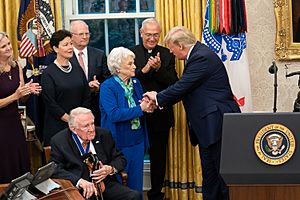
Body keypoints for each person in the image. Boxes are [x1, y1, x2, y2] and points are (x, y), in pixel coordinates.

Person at [144, 26, 241, 200]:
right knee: (210, 175)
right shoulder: (198, 55)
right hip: (207, 126)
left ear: (180, 46)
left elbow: (182, 87)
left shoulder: (201, 57)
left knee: (221, 174)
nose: (172, 53)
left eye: (172, 49)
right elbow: (185, 88)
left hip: (216, 123)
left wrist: (157, 98)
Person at [130, 18, 178, 200]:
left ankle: (156, 194)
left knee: (159, 157)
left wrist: (159, 69)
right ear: (141, 33)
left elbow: (174, 84)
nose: (152, 38)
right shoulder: (131, 53)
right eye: (148, 34)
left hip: (160, 115)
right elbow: (129, 81)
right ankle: (132, 193)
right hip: (137, 114)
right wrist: (145, 69)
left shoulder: (167, 54)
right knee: (135, 155)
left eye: (155, 35)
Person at [50, 107, 139, 200]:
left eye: (92, 123)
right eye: (86, 126)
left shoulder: (104, 134)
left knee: (133, 196)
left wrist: (110, 168)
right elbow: (55, 169)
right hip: (79, 187)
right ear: (73, 129)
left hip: (105, 183)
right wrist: (79, 181)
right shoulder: (60, 141)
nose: (92, 129)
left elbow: (120, 158)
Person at [100, 47, 151, 197]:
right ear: (117, 68)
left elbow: (140, 105)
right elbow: (114, 114)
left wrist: (148, 106)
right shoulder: (107, 87)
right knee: (120, 189)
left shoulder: (135, 82)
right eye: (130, 64)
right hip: (118, 142)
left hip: (137, 140)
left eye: (133, 63)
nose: (134, 66)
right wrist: (141, 108)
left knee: (136, 187)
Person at [0, 32, 41, 183]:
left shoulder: (16, 66)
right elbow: (15, 96)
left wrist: (28, 90)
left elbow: (22, 96)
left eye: (9, 44)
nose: (8, 48)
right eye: (3, 46)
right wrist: (15, 96)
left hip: (15, 123)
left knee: (19, 159)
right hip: (1, 126)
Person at [41, 30, 91, 146]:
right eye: (65, 45)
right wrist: (71, 121)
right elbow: (50, 103)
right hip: (58, 127)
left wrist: (81, 119)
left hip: (80, 127)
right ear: (56, 48)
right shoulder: (48, 73)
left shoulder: (78, 69)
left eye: (71, 44)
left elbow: (86, 95)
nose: (70, 48)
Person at [70, 20, 111, 127]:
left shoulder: (99, 54)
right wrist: (86, 86)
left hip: (95, 108)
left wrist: (98, 87)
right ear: (71, 36)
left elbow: (107, 79)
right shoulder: (65, 56)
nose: (85, 37)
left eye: (87, 33)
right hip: (72, 107)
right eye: (81, 34)